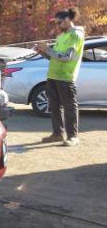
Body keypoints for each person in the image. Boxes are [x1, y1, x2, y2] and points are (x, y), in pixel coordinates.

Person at [35, 8, 84, 147]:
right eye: (56, 23)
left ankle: (73, 137)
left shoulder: (76, 35)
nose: (58, 26)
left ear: (68, 19)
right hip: (53, 76)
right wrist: (42, 52)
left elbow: (66, 57)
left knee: (69, 107)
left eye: (59, 22)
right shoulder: (61, 35)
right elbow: (54, 57)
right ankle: (57, 134)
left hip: (66, 78)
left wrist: (48, 50)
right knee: (55, 107)